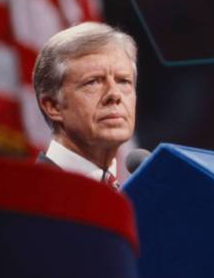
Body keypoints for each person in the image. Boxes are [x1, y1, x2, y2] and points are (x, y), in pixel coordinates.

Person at [32, 22, 138, 189]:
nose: (114, 94)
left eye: (123, 81)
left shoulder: (135, 200)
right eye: (93, 82)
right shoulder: (30, 198)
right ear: (53, 106)